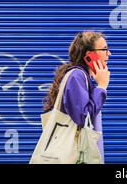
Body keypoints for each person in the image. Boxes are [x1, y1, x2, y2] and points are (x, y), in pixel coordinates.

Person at [43, 31, 111, 163]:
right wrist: (102, 87)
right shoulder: (77, 76)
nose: (109, 54)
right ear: (89, 55)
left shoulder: (82, 77)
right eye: (104, 49)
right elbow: (83, 117)